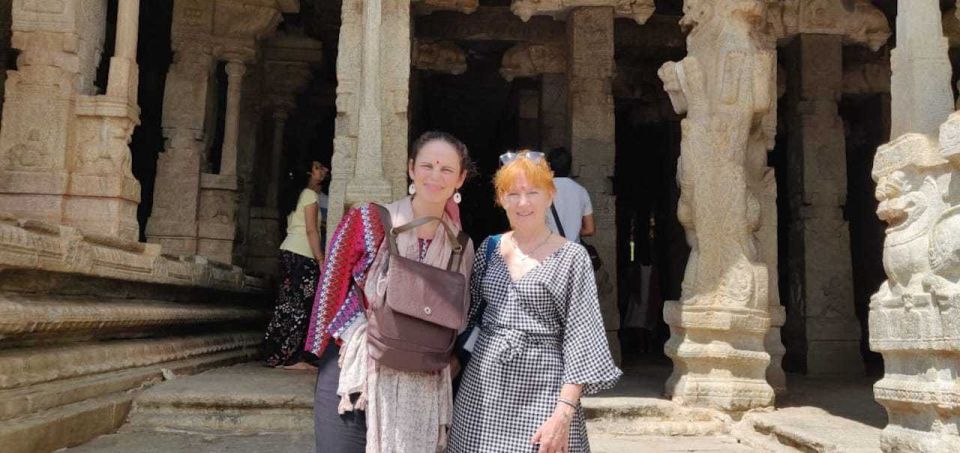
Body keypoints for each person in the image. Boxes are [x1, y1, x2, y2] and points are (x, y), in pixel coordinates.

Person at [304, 131, 475, 453]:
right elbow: (332, 286)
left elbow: (461, 313)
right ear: (411, 169)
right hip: (355, 367)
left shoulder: (461, 246)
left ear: (460, 179)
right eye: (427, 165)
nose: (435, 176)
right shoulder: (369, 219)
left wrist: (452, 363)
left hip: (422, 375)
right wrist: (320, 352)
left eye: (446, 169)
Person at [448, 151, 621, 453]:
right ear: (501, 199)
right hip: (483, 392)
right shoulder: (489, 248)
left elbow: (581, 339)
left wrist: (564, 412)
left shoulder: (572, 257)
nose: (523, 202)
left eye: (532, 192)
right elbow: (469, 318)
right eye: (513, 194)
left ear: (550, 195)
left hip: (545, 391)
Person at [263, 160, 329, 369]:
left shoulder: (296, 195)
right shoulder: (310, 195)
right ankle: (295, 358)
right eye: (318, 168)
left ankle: (276, 354)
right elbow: (311, 230)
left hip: (289, 251)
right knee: (302, 305)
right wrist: (321, 259)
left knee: (286, 304)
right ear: (308, 172)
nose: (323, 171)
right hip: (303, 254)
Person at [545, 147, 595, 243]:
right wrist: (572, 232)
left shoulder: (541, 191)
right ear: (570, 166)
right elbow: (590, 229)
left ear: (548, 166)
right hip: (573, 253)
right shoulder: (581, 191)